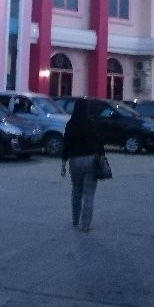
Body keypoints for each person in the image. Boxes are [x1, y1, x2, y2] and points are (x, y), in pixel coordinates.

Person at [60, 99, 105, 232]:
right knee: (89, 193)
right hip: (91, 160)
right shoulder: (92, 124)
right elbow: (99, 142)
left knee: (76, 190)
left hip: (75, 161)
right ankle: (85, 224)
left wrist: (63, 162)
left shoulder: (70, 124)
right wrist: (102, 157)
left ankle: (75, 220)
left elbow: (66, 143)